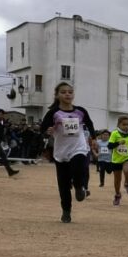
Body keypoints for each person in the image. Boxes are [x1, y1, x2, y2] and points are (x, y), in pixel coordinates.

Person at [40, 83, 96, 223]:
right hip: (61, 151)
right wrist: (48, 131)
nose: (67, 94)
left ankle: (78, 186)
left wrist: (93, 137)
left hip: (78, 146)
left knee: (79, 166)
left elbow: (89, 124)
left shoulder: (80, 111)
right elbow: (43, 128)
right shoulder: (53, 113)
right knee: (63, 183)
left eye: (70, 92)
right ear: (57, 95)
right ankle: (66, 210)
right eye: (63, 92)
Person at [107, 117, 128, 206]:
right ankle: (117, 195)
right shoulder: (114, 133)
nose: (126, 126)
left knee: (127, 170)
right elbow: (109, 146)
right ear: (118, 125)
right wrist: (118, 143)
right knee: (117, 179)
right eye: (124, 124)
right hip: (116, 159)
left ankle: (127, 184)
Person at [0, 109, 21, 176]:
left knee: (3, 155)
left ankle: (10, 171)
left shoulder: (3, 121)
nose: (0, 115)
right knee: (2, 155)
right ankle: (10, 171)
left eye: (1, 114)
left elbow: (1, 132)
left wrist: (4, 139)